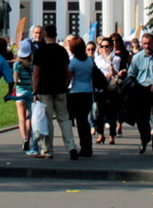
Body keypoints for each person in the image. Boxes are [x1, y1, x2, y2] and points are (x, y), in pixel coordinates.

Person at [32, 24, 78, 160]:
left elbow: (36, 74)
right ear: (56, 34)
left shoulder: (40, 52)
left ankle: (47, 150)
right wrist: (65, 84)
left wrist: (35, 91)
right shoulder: (62, 51)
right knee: (64, 119)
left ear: (45, 35)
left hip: (45, 90)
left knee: (47, 120)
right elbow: (67, 71)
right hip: (60, 89)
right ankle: (72, 147)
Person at [126, 32, 153, 156]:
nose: (147, 46)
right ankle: (145, 138)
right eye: (144, 44)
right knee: (141, 118)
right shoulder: (137, 57)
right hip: (142, 89)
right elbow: (131, 73)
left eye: (149, 43)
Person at [65, 35, 95, 157]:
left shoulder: (73, 62)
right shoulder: (89, 61)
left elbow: (68, 79)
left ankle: (81, 146)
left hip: (75, 92)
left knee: (76, 121)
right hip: (88, 92)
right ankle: (87, 146)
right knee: (84, 121)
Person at [12, 39, 38, 155]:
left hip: (20, 93)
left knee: (21, 118)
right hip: (30, 92)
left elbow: (16, 81)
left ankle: (24, 139)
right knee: (29, 118)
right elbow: (34, 78)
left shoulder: (17, 64)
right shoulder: (32, 64)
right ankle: (29, 136)